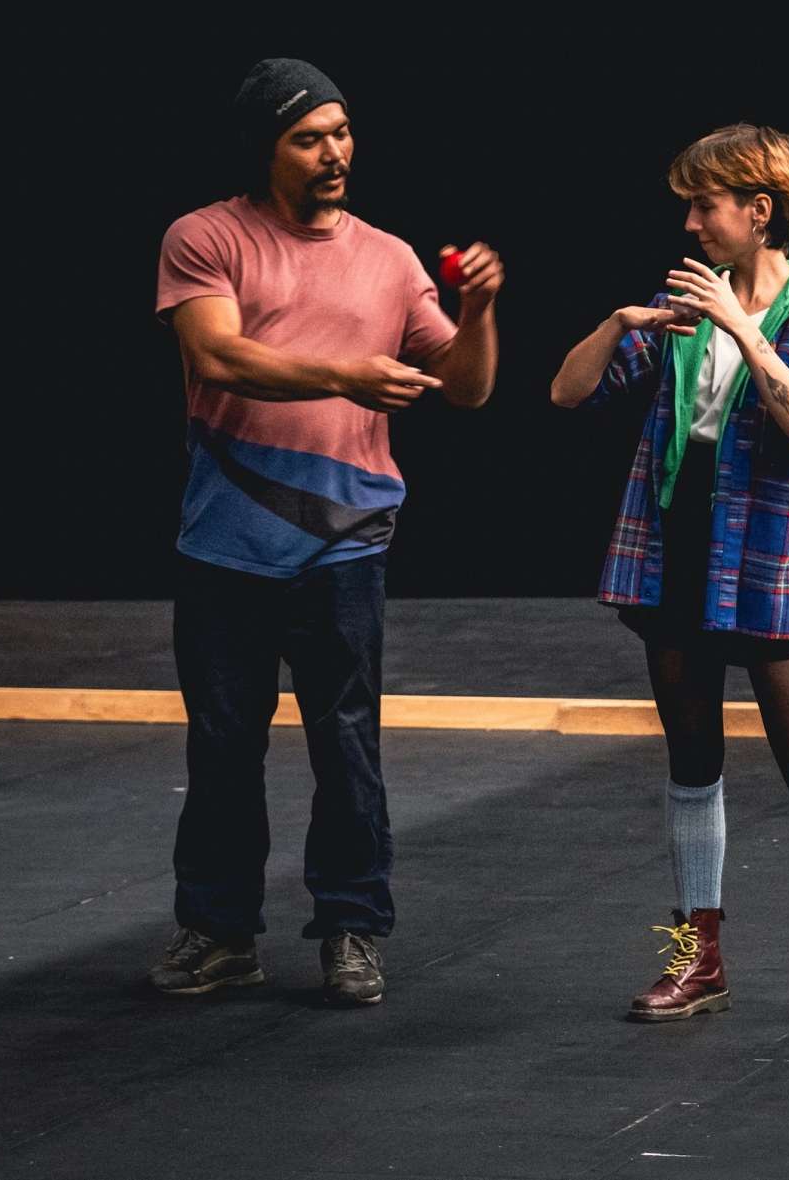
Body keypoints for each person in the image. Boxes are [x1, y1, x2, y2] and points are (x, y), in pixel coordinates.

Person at [148, 58, 503, 1006]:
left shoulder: (388, 256)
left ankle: (353, 929)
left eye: (342, 132)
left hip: (346, 546)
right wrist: (347, 374)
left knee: (348, 744)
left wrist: (477, 310)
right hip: (226, 545)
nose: (334, 151)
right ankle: (220, 932)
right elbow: (217, 353)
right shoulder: (206, 237)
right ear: (267, 147)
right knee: (223, 747)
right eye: (310, 137)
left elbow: (465, 387)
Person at [550, 124, 789, 1028]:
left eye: (707, 205)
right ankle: (698, 955)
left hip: (768, 551)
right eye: (690, 205)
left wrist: (742, 327)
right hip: (678, 543)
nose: (693, 221)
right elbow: (567, 392)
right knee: (692, 754)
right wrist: (619, 325)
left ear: (760, 210)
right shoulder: (681, 304)